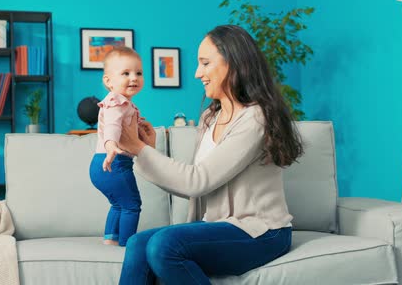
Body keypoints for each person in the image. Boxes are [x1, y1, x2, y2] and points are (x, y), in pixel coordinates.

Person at [117, 25, 304, 284]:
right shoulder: (210, 117)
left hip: (262, 232)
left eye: (205, 63)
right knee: (138, 244)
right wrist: (144, 151)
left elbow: (197, 180)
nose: (197, 73)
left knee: (164, 246)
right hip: (218, 227)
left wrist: (140, 148)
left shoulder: (255, 118)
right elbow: (197, 188)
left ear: (235, 63)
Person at [89, 46, 145, 247]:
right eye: (126, 73)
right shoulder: (116, 101)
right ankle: (128, 245)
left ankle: (111, 239)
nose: (134, 78)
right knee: (132, 205)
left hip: (100, 164)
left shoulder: (123, 103)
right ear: (108, 81)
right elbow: (112, 124)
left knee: (119, 204)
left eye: (138, 73)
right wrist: (111, 144)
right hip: (113, 162)